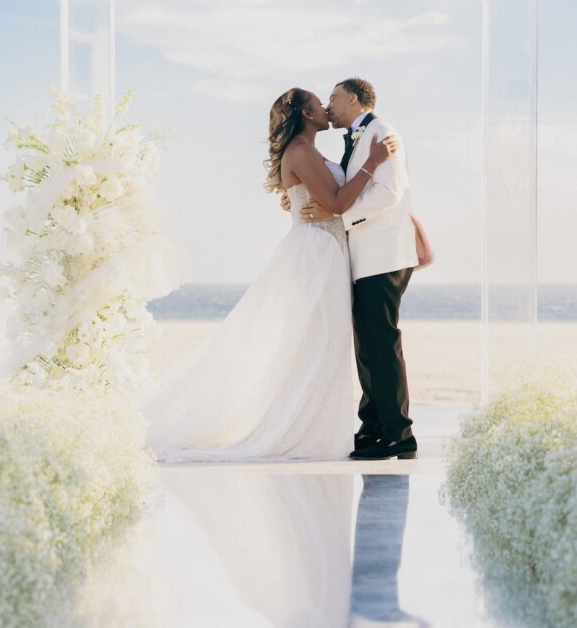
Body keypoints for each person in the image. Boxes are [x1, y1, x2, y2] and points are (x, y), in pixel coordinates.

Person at [143, 87, 396, 461]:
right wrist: (372, 162)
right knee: (319, 342)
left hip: (326, 249)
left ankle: (317, 428)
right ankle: (300, 430)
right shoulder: (300, 150)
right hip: (317, 254)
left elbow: (323, 197)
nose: (326, 107)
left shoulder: (307, 151)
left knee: (322, 342)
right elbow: (338, 203)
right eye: (318, 102)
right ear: (307, 115)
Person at [300, 79, 419, 461]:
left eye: (333, 98)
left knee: (382, 345)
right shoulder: (358, 137)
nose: (329, 105)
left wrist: (339, 213)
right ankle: (373, 428)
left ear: (353, 98)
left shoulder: (382, 133)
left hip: (383, 255)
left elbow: (388, 193)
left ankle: (399, 434)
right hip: (364, 257)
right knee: (367, 347)